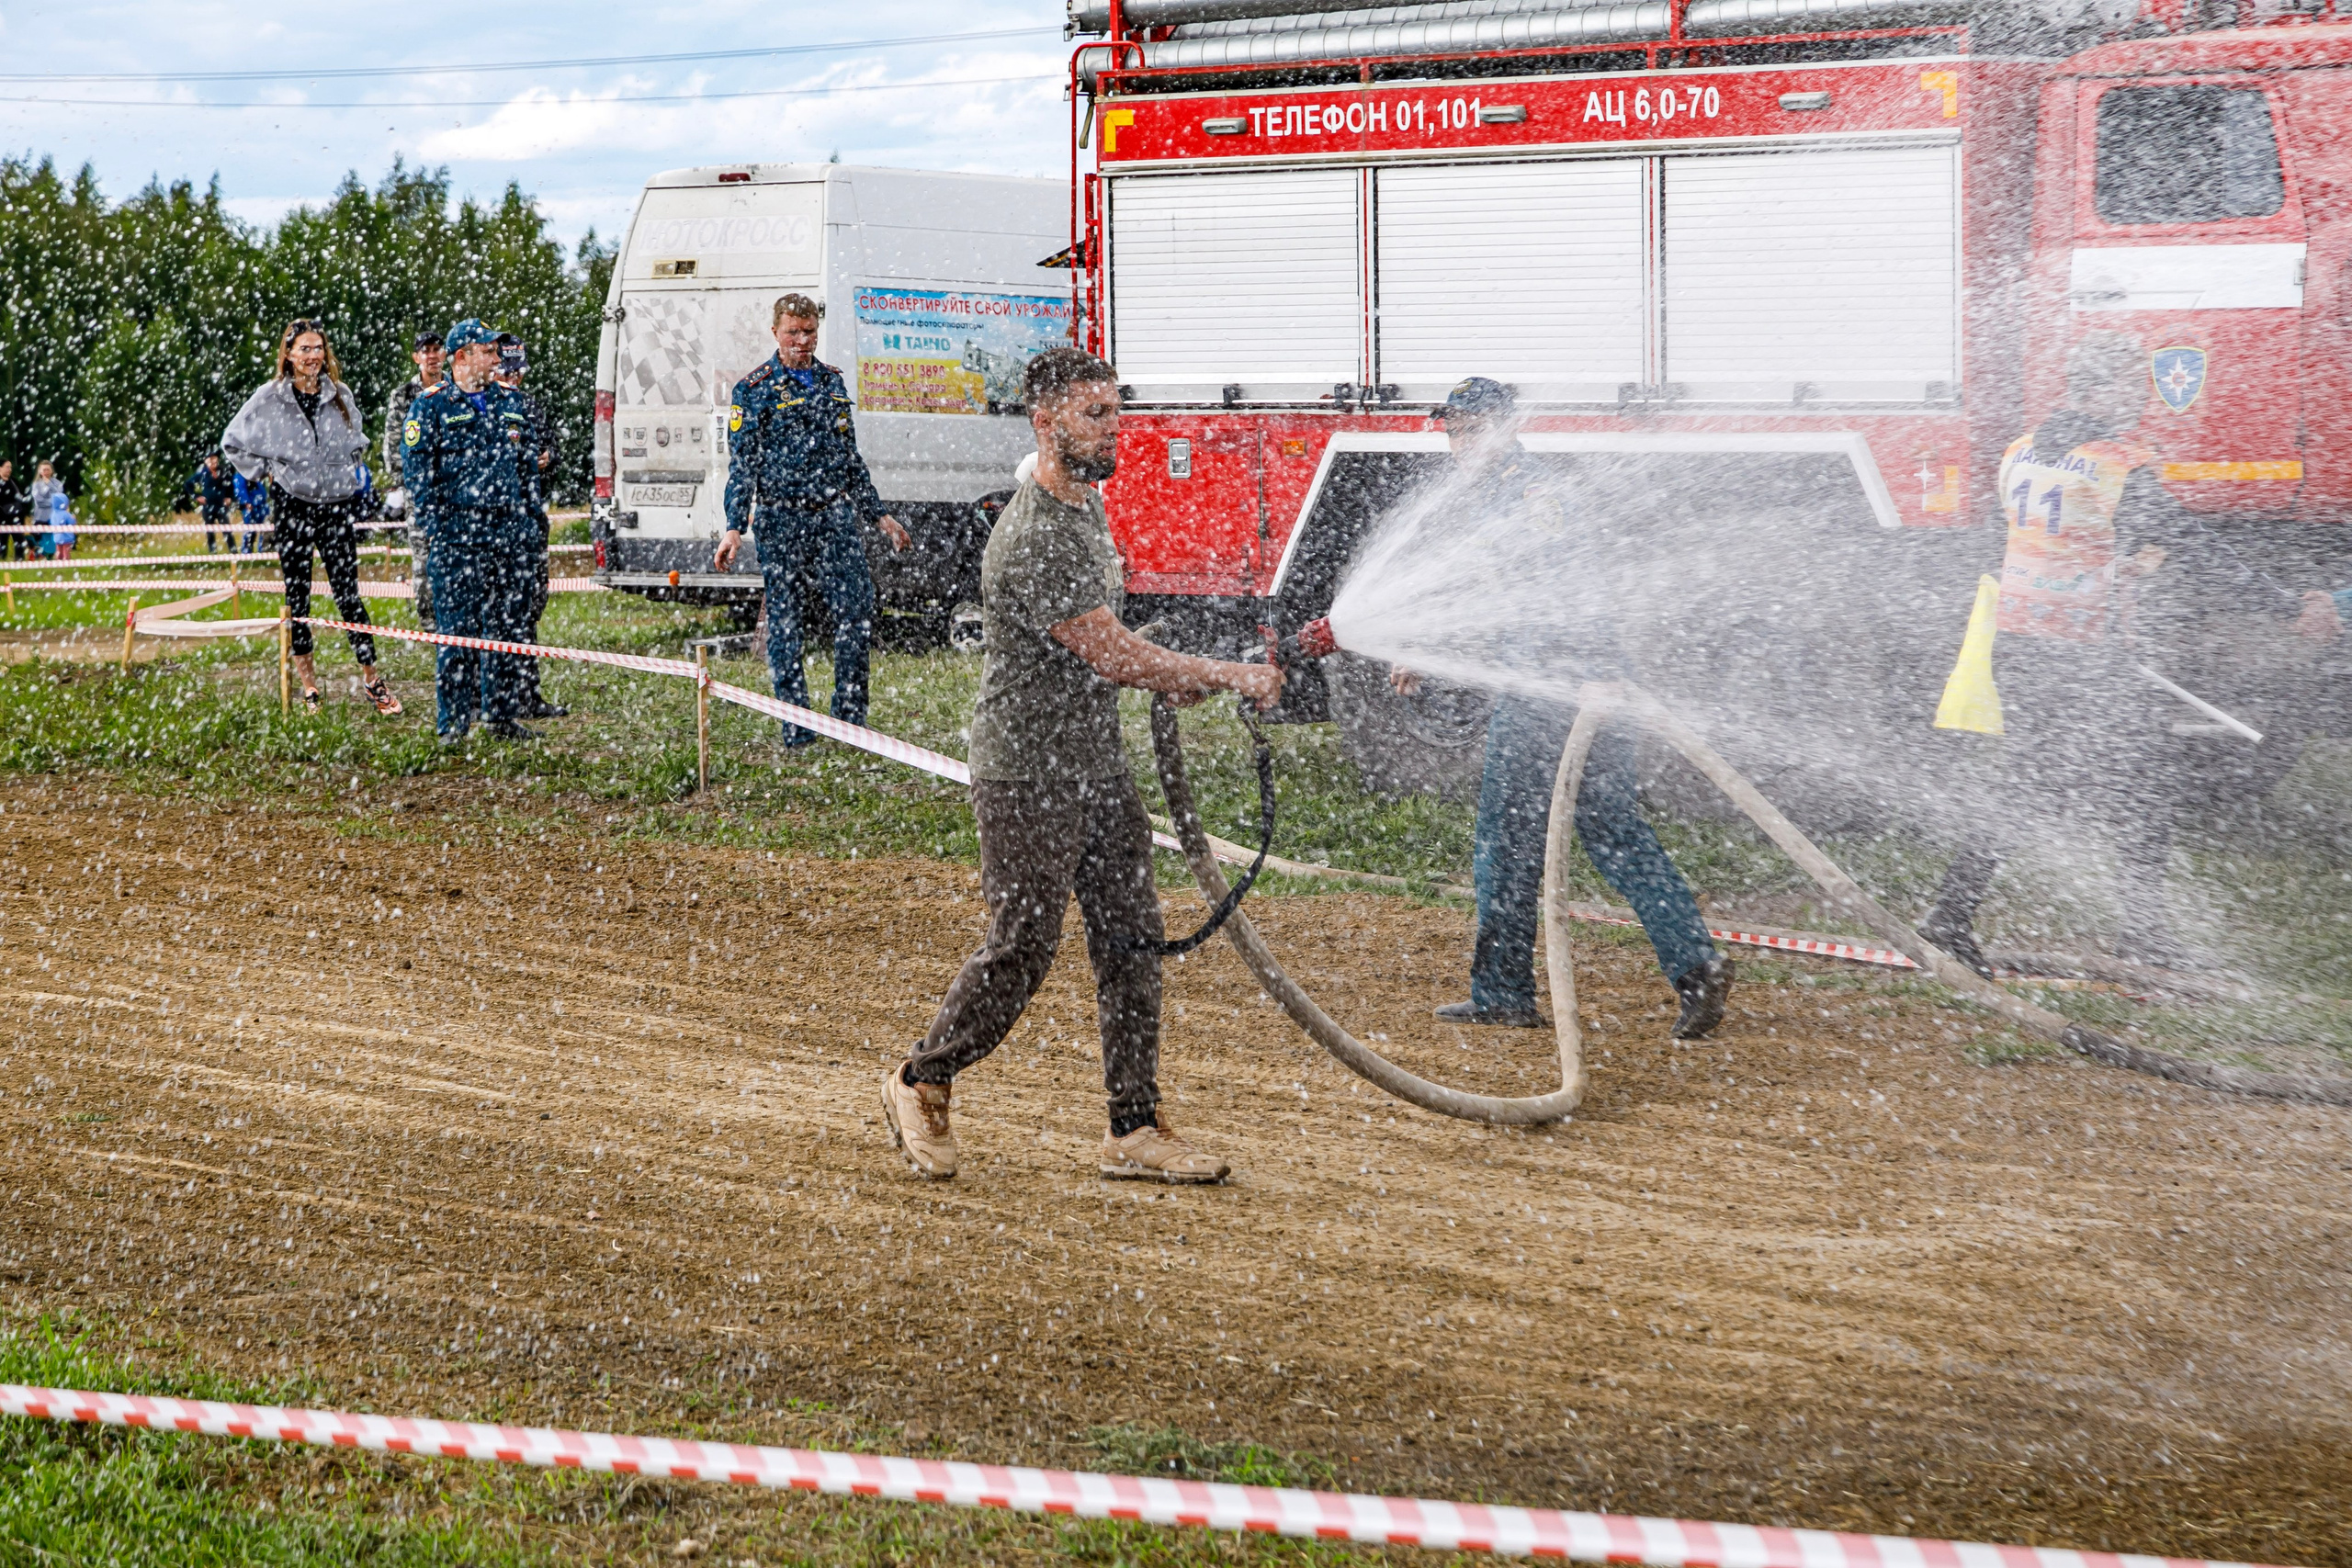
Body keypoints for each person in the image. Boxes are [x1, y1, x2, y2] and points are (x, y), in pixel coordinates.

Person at [882, 348, 1281, 1185]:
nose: (1114, 430)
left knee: (1130, 936)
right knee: (1024, 943)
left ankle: (1132, 1124)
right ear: (1047, 420)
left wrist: (1169, 677)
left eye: (1116, 412)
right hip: (1027, 771)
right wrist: (1216, 675)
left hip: (1095, 766)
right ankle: (923, 1078)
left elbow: (1111, 650)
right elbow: (1115, 652)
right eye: (1095, 415)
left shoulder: (1085, 511)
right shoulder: (1030, 535)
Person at [1917, 331, 2343, 974]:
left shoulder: (2020, 451)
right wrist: (2289, 607)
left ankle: (1951, 913)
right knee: (2146, 784)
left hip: (2025, 642)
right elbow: (2198, 549)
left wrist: (2122, 565)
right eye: (2130, 389)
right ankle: (2140, 931)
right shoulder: (2118, 463)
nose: (2141, 404)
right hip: (2086, 652)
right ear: (2097, 389)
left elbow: (2042, 534)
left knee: (2027, 782)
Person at [1396, 378, 1734, 1038]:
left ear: (1506, 426)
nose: (1460, 441)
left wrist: (1592, 671)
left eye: (1471, 428)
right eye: (1453, 429)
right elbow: (1488, 597)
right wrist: (1425, 649)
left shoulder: (1530, 495)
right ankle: (1696, 966)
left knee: (1509, 839)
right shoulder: (1505, 493)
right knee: (1613, 829)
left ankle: (1502, 992)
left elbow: (1574, 583)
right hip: (1583, 685)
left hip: (1550, 691)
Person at [711, 292, 911, 744]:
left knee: (856, 613)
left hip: (834, 516)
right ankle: (797, 726)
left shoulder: (831, 382)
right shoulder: (754, 388)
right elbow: (743, 466)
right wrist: (734, 527)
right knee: (785, 621)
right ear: (775, 332)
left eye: (809, 332)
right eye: (793, 332)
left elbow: (849, 457)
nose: (802, 341)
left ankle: (849, 722)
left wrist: (879, 516)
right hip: (781, 518)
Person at [223, 318, 401, 716]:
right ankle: (310, 689)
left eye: (318, 348)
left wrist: (344, 471)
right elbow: (233, 442)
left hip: (337, 506)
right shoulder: (269, 398)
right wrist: (268, 470)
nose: (313, 356)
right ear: (288, 354)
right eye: (304, 349)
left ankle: (373, 681)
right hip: (292, 506)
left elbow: (359, 441)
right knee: (298, 597)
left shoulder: (340, 394)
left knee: (348, 596)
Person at [404, 319, 541, 745]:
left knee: (505, 629)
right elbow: (418, 478)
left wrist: (525, 524)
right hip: (456, 539)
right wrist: (437, 532)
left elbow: (528, 469)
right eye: (489, 351)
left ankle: (499, 716)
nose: (498, 359)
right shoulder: (430, 406)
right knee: (456, 632)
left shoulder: (511, 402)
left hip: (507, 536)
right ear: (462, 356)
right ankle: (453, 725)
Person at [492, 332, 565, 719]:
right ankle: (492, 699)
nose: (515, 376)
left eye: (519, 369)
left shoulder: (529, 405)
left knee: (531, 606)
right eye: (507, 368)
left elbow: (553, 449)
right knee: (498, 613)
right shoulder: (486, 405)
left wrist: (547, 457)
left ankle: (527, 694)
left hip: (532, 521)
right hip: (500, 522)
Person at [383, 330, 446, 628]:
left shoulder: (455, 390)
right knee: (423, 556)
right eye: (426, 350)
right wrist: (415, 481)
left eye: (437, 349)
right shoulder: (404, 396)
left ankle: (454, 619)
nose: (432, 355)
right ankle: (429, 621)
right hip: (419, 492)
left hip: (454, 490)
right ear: (416, 356)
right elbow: (394, 447)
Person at [188, 451, 235, 555]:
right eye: (211, 459)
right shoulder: (203, 473)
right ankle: (213, 553)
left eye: (215, 459)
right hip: (208, 505)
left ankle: (233, 552)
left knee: (227, 528)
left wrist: (229, 497)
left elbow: (231, 486)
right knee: (210, 530)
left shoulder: (223, 471)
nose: (214, 462)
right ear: (207, 461)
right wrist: (196, 496)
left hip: (221, 505)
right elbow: (188, 484)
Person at [232, 467, 269, 555]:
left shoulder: (255, 475)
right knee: (249, 530)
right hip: (251, 506)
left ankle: (263, 551)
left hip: (261, 506)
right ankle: (246, 552)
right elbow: (240, 490)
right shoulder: (240, 475)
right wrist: (247, 502)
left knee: (264, 530)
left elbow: (261, 490)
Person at [28, 462, 59, 560]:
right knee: (37, 536)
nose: (46, 472)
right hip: (40, 516)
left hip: (53, 516)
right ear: (40, 471)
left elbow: (58, 497)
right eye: (44, 470)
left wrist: (49, 484)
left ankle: (49, 555)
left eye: (48, 469)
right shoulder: (36, 485)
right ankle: (38, 552)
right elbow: (39, 501)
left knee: (52, 538)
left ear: (52, 471)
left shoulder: (57, 483)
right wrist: (51, 501)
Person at [0, 460, 24, 562]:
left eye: (10, 467)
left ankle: (19, 559)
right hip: (1, 516)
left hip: (15, 516)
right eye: (7, 467)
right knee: (2, 541)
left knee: (19, 539)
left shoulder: (14, 481)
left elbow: (21, 497)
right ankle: (2, 559)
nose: (9, 469)